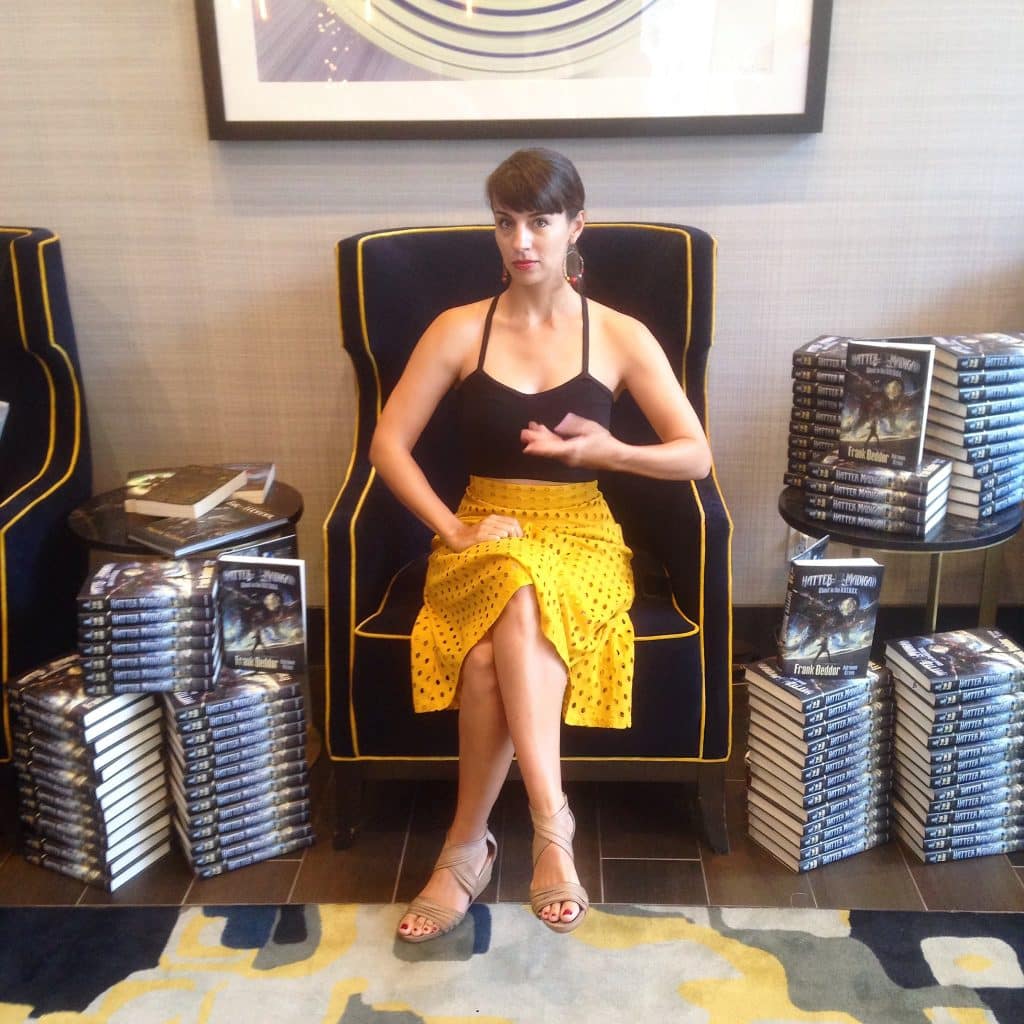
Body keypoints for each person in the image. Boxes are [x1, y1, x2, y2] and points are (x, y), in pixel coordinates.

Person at [369, 148, 712, 943]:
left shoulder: (620, 335)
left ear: (575, 226)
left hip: (585, 536)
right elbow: (390, 445)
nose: (521, 239)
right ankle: (552, 827)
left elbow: (694, 454)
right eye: (505, 222)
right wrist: (451, 528)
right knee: (514, 582)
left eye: (540, 220)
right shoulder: (459, 329)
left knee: (494, 653)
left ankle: (465, 849)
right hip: (482, 531)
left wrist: (608, 453)